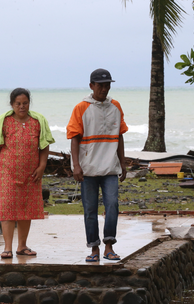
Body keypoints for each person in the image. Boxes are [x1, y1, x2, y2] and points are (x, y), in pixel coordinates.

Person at [66, 68, 128, 262]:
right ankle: (94, 248)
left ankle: (109, 246)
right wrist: (76, 165)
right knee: (90, 209)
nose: (104, 89)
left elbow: (119, 136)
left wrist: (123, 163)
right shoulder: (81, 108)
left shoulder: (116, 106)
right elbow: (74, 138)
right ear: (91, 86)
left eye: (107, 85)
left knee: (112, 205)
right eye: (100, 85)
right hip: (88, 169)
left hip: (110, 167)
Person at [0, 88, 55, 259]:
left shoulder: (38, 121)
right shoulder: (3, 121)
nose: (22, 107)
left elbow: (44, 147)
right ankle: (7, 247)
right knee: (7, 209)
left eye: (25, 103)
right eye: (18, 104)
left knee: (26, 209)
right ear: (12, 104)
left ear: (29, 103)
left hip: (31, 174)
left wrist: (42, 167)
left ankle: (22, 246)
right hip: (7, 173)